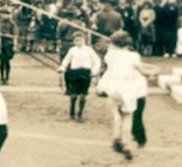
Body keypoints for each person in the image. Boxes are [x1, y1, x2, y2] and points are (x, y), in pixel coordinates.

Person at [97, 31, 151, 160]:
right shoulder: (133, 56)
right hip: (127, 87)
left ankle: (116, 137)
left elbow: (111, 57)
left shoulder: (110, 55)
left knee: (116, 114)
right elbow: (142, 70)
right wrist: (152, 72)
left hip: (113, 86)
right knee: (128, 117)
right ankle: (126, 144)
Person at [58, 32, 101, 121]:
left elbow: (97, 61)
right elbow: (66, 60)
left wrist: (94, 71)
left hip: (85, 72)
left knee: (83, 95)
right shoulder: (72, 50)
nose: (78, 42)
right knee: (73, 95)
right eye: (76, 40)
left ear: (84, 40)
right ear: (74, 41)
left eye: (80, 40)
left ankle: (80, 114)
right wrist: (62, 68)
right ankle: (72, 113)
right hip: (74, 72)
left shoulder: (89, 50)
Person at [0, 10, 17, 85]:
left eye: (6, 14)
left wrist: (15, 45)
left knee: (7, 62)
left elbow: (14, 35)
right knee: (1, 62)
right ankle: (2, 78)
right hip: (1, 44)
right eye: (3, 14)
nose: (5, 16)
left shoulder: (12, 24)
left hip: (9, 45)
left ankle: (7, 77)